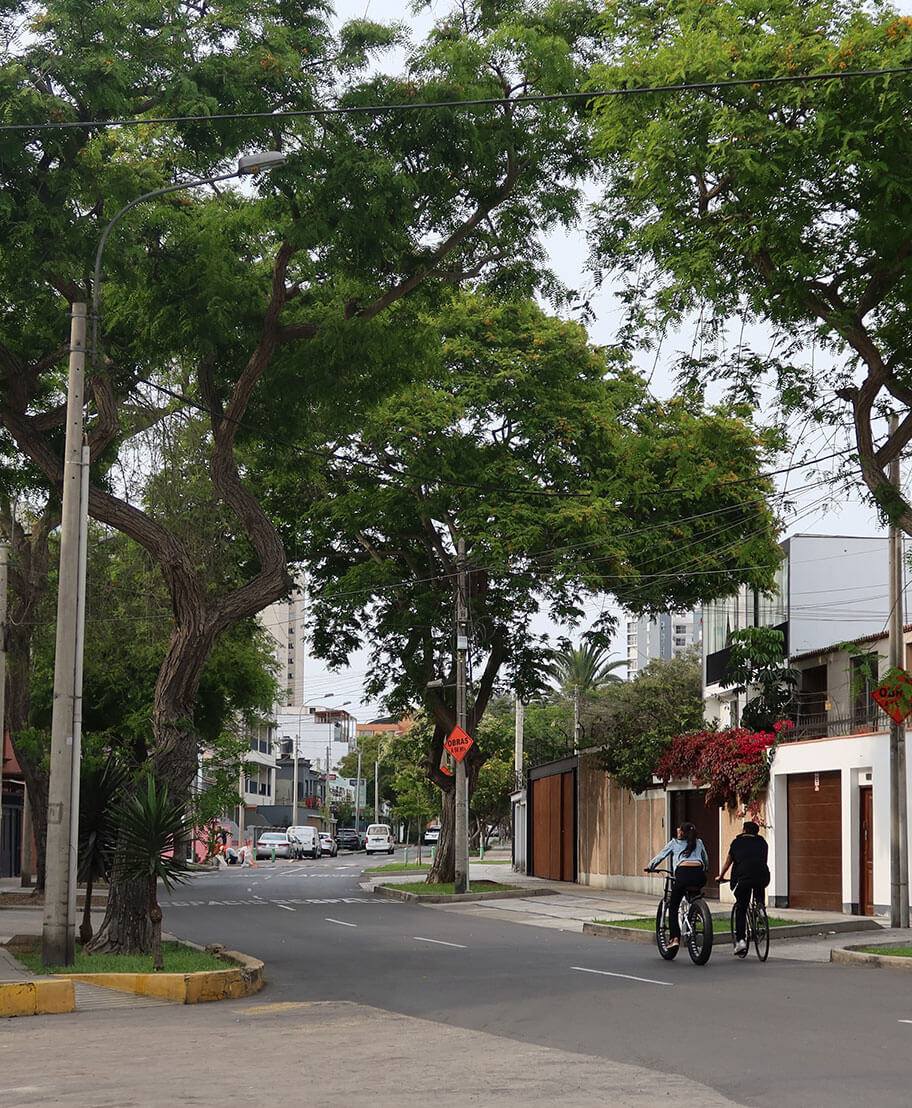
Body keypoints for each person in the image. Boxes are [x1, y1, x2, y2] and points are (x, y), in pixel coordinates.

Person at [646, 822, 709, 950]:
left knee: (673, 907)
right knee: (694, 895)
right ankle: (696, 912)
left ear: (681, 832)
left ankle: (674, 938)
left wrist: (650, 866)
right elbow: (706, 860)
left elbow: (660, 856)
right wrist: (705, 869)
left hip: (683, 875)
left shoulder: (675, 843)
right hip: (699, 876)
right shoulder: (699, 842)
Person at [717, 820, 770, 955]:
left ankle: (741, 941)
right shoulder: (763, 843)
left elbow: (728, 863)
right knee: (758, 884)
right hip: (762, 877)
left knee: (741, 907)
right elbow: (761, 861)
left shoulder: (737, 843)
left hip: (743, 879)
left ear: (744, 830)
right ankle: (760, 907)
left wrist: (720, 876)